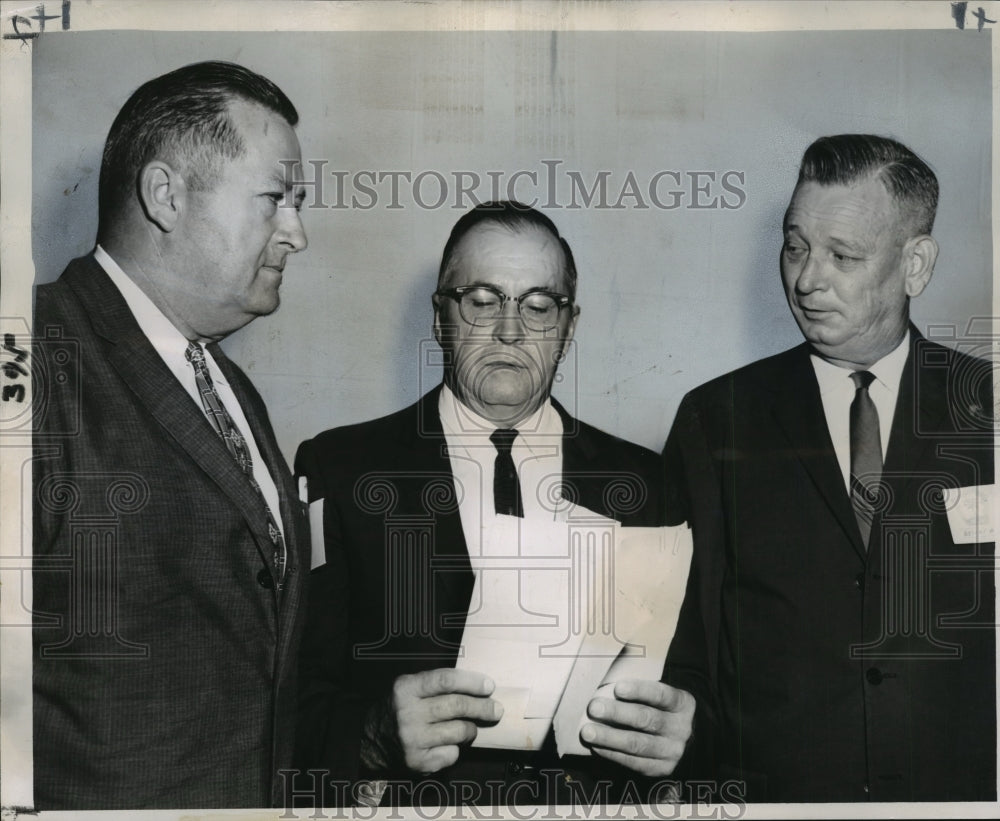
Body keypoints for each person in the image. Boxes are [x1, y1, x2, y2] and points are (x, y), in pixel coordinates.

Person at [295, 202, 696, 807]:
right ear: (440, 315)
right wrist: (375, 734)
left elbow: (700, 677)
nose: (511, 330)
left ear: (569, 325)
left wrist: (685, 732)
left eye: (538, 305)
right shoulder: (341, 469)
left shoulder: (650, 481)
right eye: (483, 300)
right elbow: (288, 689)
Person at [662, 134, 995, 802]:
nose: (807, 278)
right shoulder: (714, 418)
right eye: (795, 246)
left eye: (843, 255)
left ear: (916, 265)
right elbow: (681, 644)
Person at [32, 60, 310, 809]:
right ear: (165, 196)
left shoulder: (229, 385)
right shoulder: (32, 357)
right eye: (276, 200)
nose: (298, 234)